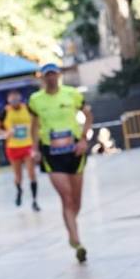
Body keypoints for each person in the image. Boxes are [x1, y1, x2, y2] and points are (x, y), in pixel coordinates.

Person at [29, 63, 93, 263]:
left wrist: (83, 139)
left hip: (74, 152)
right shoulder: (35, 100)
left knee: (76, 201)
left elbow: (88, 115)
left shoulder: (72, 94)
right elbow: (34, 125)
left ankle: (71, 226)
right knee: (66, 197)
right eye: (47, 75)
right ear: (42, 78)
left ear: (59, 75)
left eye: (54, 74)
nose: (51, 78)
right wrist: (35, 148)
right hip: (52, 154)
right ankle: (76, 241)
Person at [1, 90, 40, 211]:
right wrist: (6, 133)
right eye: (12, 100)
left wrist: (35, 142)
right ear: (8, 101)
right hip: (13, 147)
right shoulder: (5, 112)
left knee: (31, 173)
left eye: (16, 99)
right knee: (18, 176)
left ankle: (34, 200)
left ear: (20, 99)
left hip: (27, 145)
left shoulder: (27, 109)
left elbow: (37, 122)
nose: (15, 102)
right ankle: (19, 191)